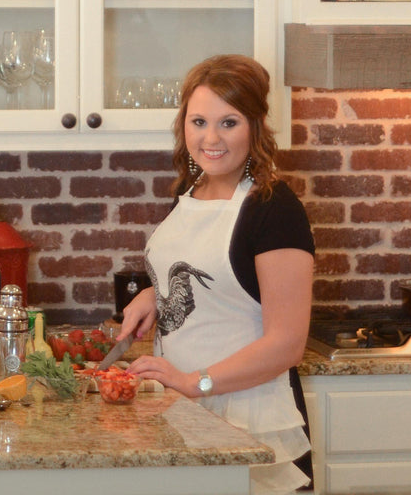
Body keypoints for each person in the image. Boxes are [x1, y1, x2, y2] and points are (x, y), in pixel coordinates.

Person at [118, 54, 315, 494]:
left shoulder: (273, 209)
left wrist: (195, 382)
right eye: (198, 121)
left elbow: (286, 343)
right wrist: (154, 293)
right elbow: (220, 276)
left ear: (256, 127)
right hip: (185, 408)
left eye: (229, 123)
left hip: (249, 415)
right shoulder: (191, 191)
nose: (210, 138)